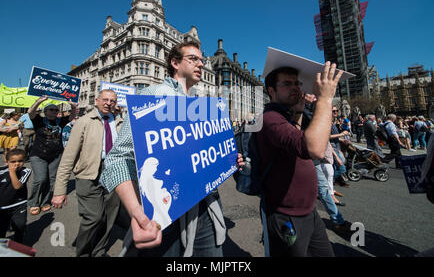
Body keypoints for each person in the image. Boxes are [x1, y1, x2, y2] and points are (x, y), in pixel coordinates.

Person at [99, 41, 244, 257]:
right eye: (193, 59)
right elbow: (118, 158)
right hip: (167, 213)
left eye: (202, 60)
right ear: (175, 63)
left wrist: (226, 159)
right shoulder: (153, 95)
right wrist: (138, 214)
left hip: (205, 208)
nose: (201, 64)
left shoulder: (198, 104)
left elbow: (199, 156)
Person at [256, 61, 343, 257]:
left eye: (297, 83)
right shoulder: (270, 118)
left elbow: (295, 138)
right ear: (271, 90)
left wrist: (298, 112)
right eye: (287, 84)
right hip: (285, 215)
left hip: (308, 212)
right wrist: (325, 99)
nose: (295, 87)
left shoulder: (286, 116)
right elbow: (313, 148)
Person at [52, 89, 122, 257]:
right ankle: (83, 253)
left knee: (109, 216)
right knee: (94, 217)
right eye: (105, 99)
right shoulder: (83, 121)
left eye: (112, 101)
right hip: (88, 174)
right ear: (96, 101)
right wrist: (60, 190)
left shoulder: (120, 122)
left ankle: (99, 251)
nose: (108, 103)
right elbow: (68, 157)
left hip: (113, 172)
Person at [27, 97, 76, 216]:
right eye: (52, 109)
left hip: (55, 155)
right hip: (38, 154)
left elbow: (72, 115)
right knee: (40, 178)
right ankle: (33, 202)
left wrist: (72, 106)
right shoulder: (38, 120)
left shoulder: (60, 121)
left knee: (51, 179)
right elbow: (30, 112)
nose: (54, 112)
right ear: (45, 111)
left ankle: (45, 201)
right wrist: (39, 101)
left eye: (56, 110)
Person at [0, 149, 31, 243]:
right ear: (7, 162)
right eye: (13, 161)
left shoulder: (26, 171)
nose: (17, 164)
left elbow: (17, 186)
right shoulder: (1, 172)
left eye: (20, 161)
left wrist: (11, 171)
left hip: (19, 205)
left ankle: (18, 245)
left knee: (20, 226)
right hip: (1, 207)